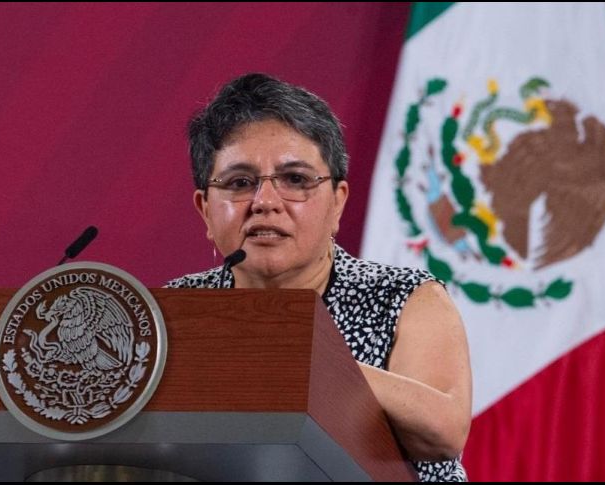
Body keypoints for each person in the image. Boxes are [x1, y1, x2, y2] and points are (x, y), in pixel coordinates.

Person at [166, 73, 472, 482]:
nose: (265, 202)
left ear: (337, 204)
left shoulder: (403, 298)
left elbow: (442, 432)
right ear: (205, 210)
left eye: (295, 179)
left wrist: (296, 354)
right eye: (241, 183)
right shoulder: (178, 312)